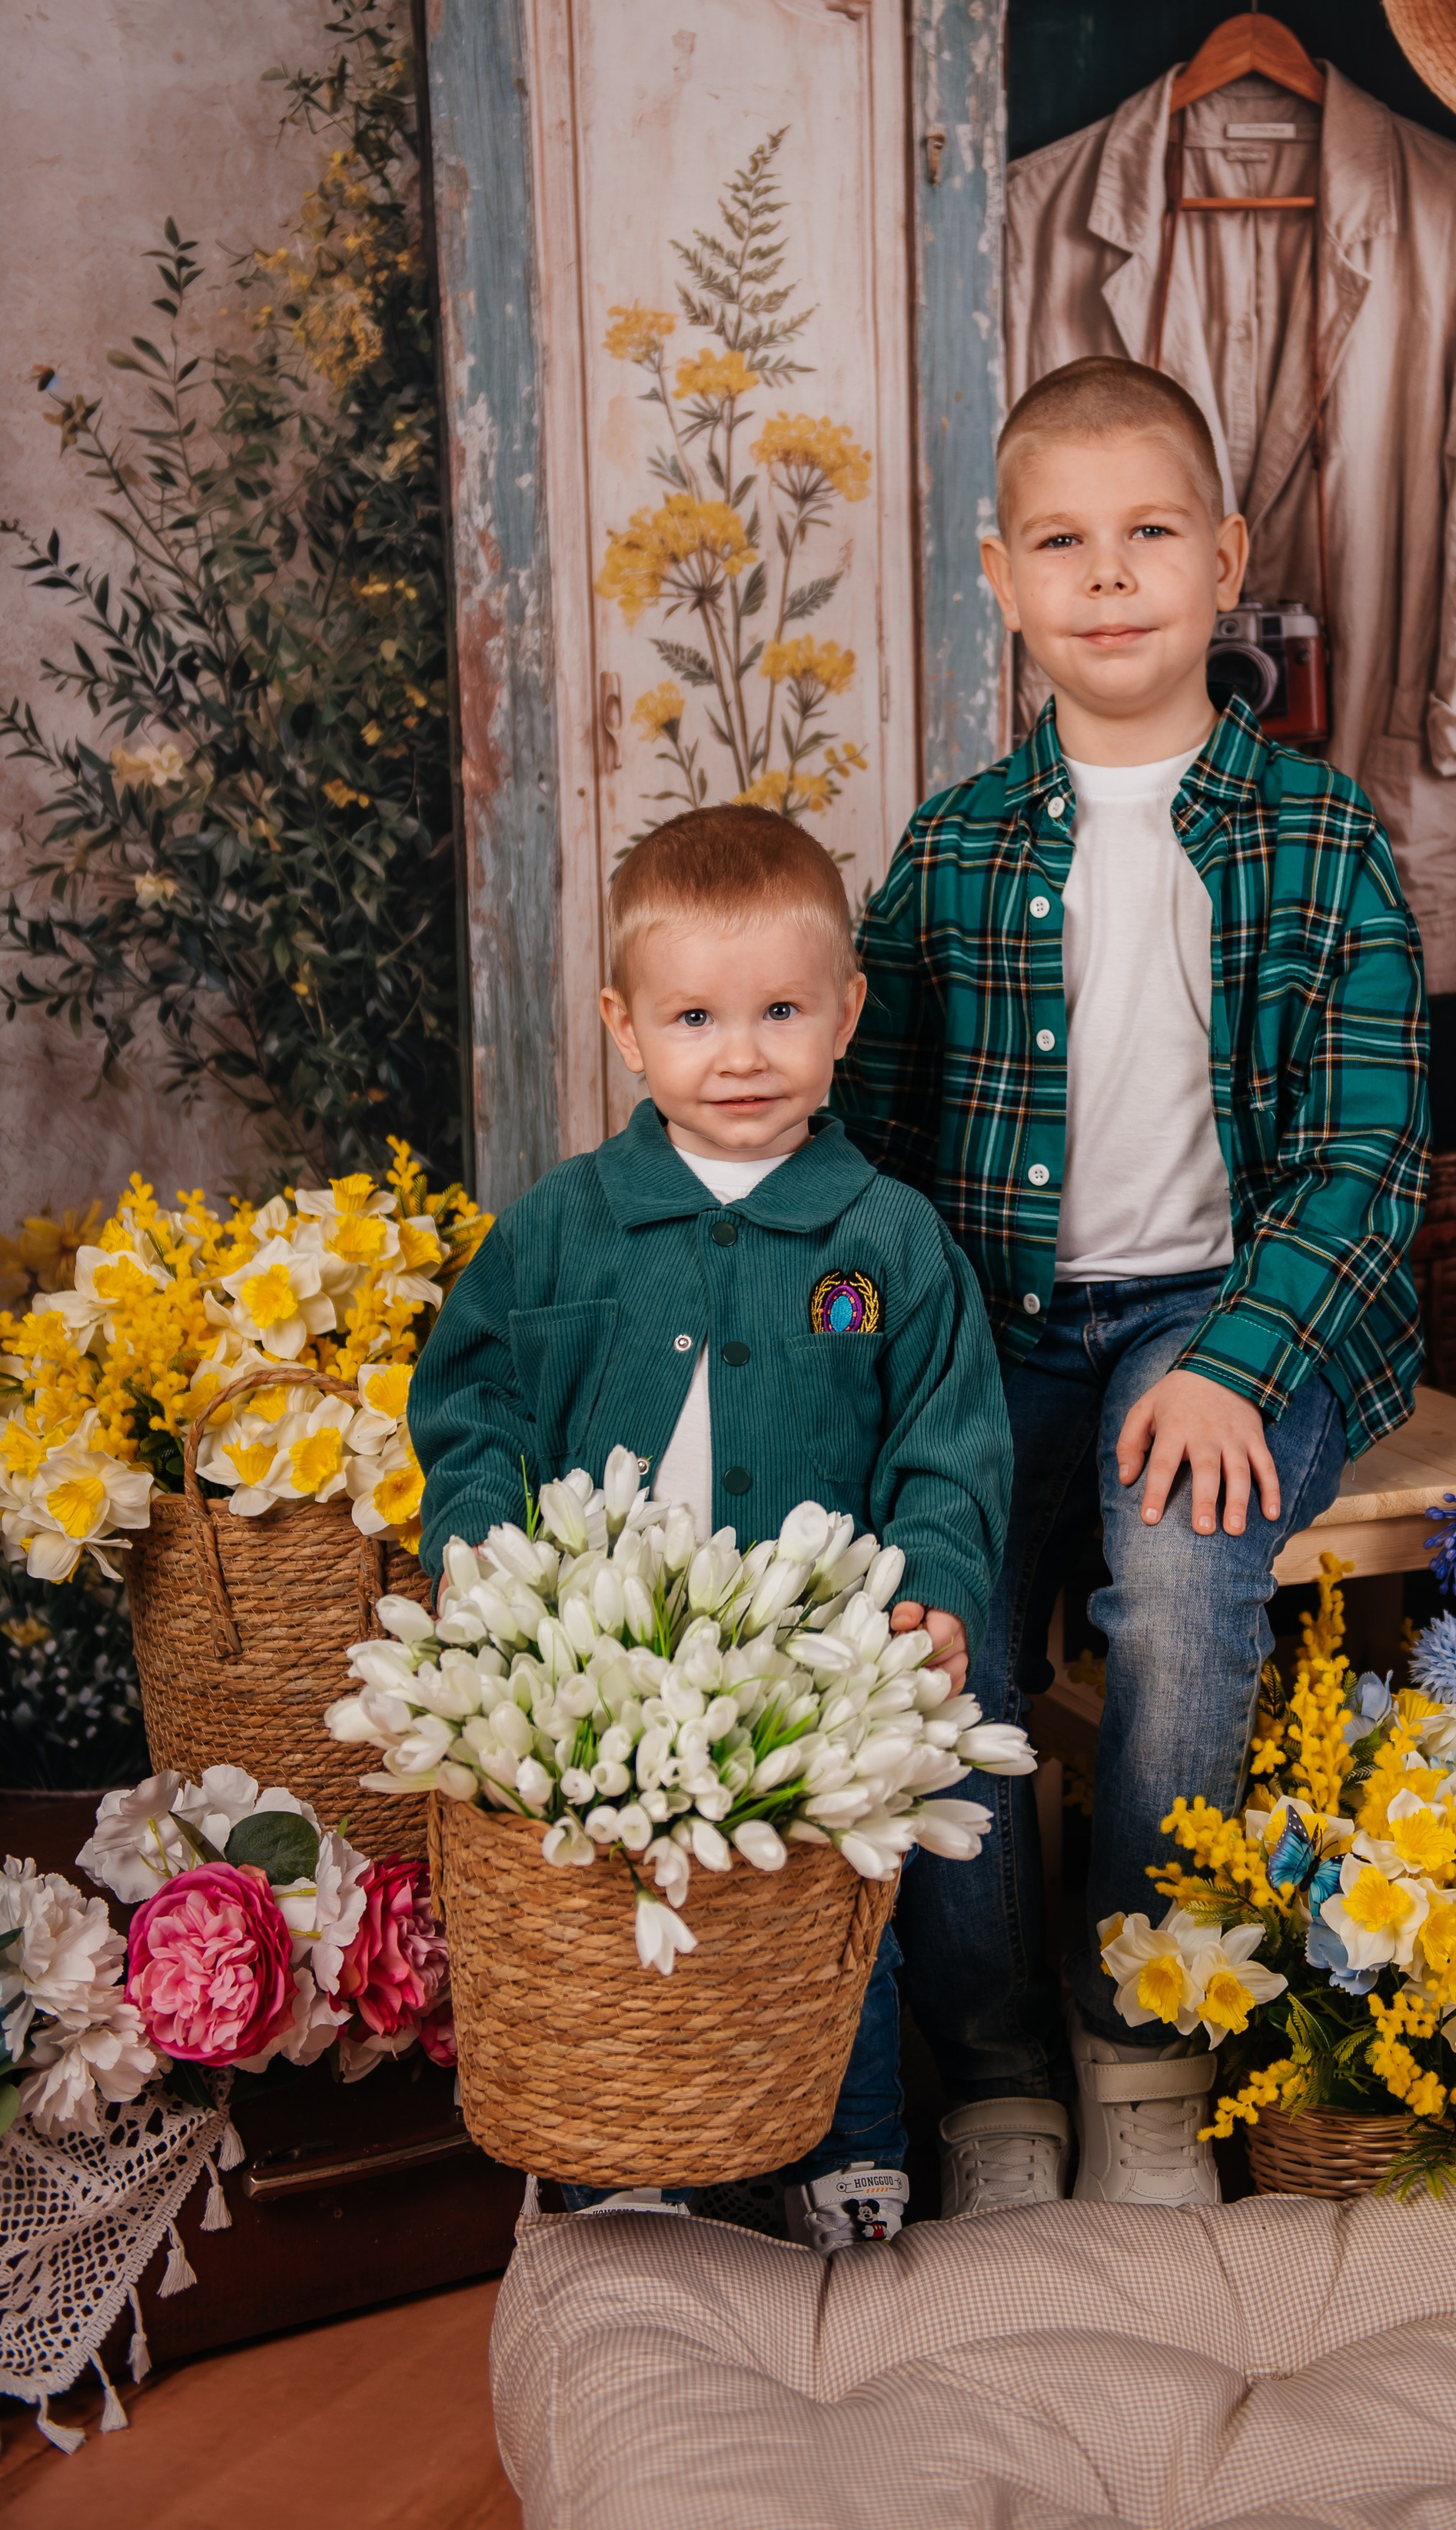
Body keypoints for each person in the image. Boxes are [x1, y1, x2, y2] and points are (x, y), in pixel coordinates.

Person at [834, 354, 1430, 2214]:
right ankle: (996, 2065)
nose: (1108, 579)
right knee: (944, 1622)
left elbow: (1368, 1159)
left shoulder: (1319, 839)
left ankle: (1143, 2032)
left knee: (1174, 1569)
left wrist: (1243, 1360)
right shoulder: (952, 850)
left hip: (1233, 1306)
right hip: (1002, 1323)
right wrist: (871, 1366)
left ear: (1225, 558)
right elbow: (865, 1143)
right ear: (1001, 580)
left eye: (1149, 533)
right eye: (1063, 544)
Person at [408, 806, 1012, 2253]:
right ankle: (635, 2145)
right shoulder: (562, 1225)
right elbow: (472, 1398)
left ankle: (850, 2142)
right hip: (603, 1654)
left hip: (810, 1658)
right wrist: (480, 1537)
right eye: (695, 1017)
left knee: (824, 1920)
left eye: (781, 1012)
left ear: (846, 1014)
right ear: (625, 1027)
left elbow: (951, 1437)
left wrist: (932, 1578)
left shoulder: (887, 1240)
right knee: (630, 1906)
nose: (740, 1055)